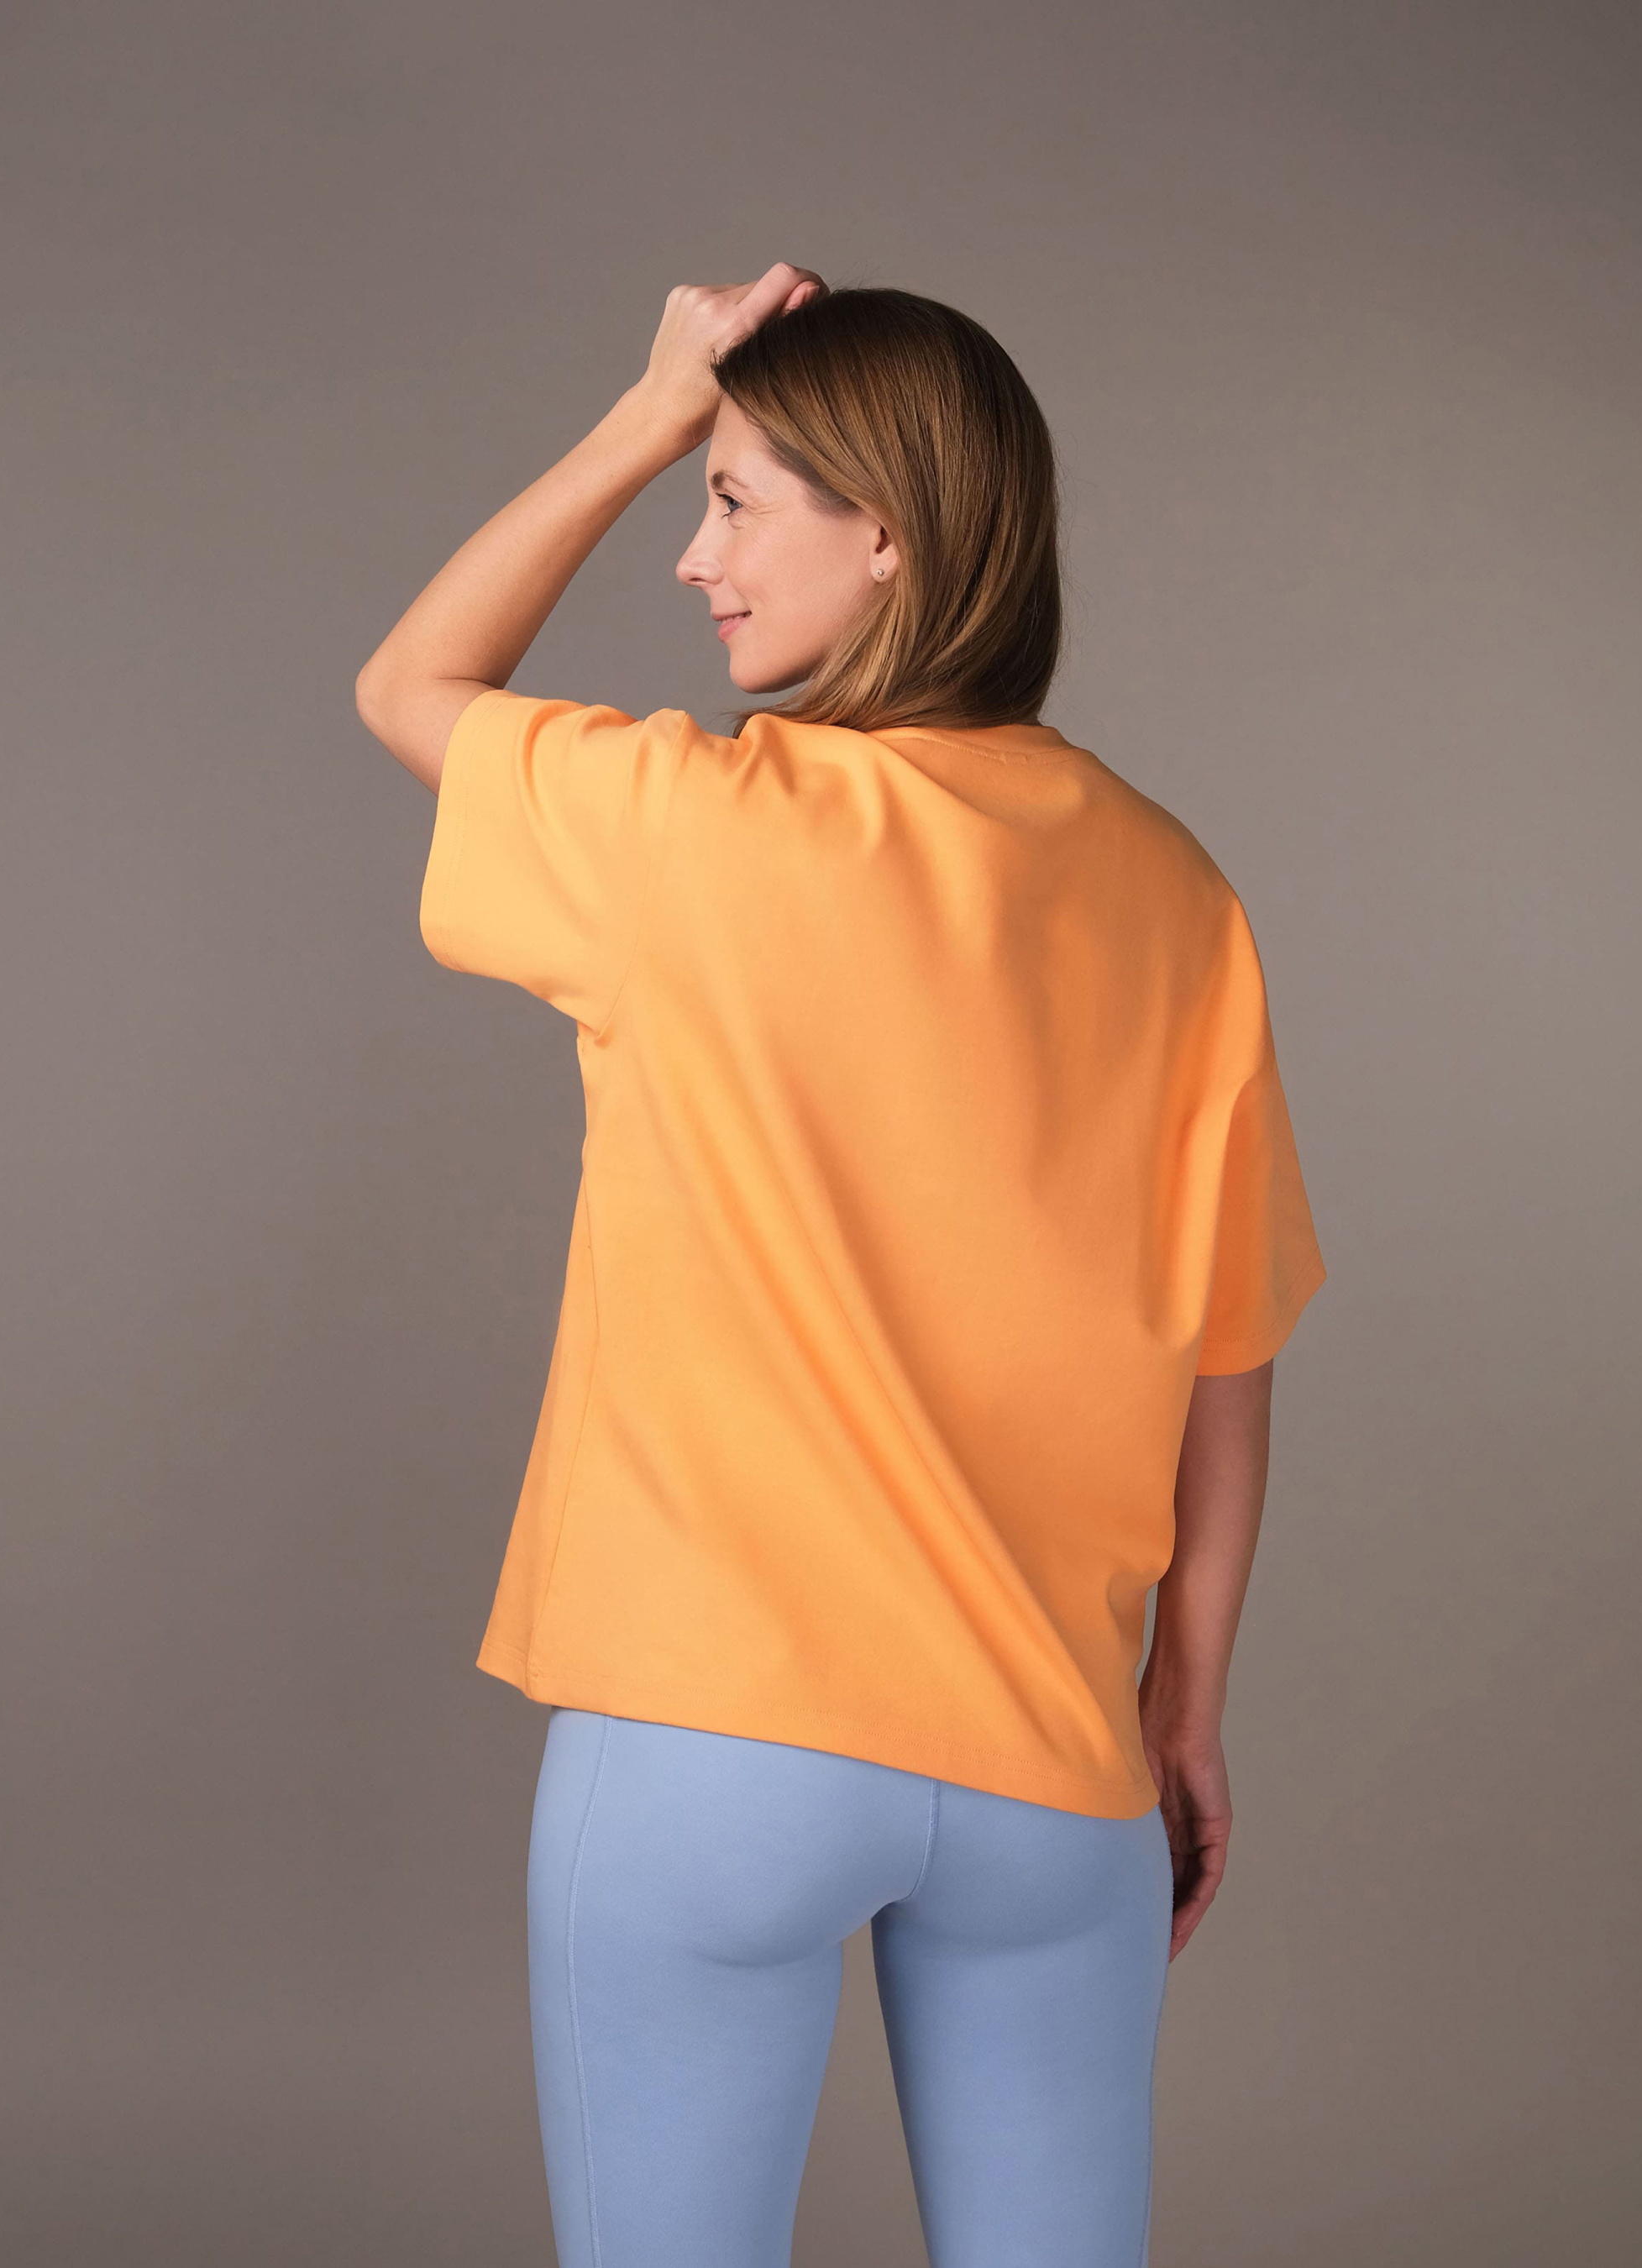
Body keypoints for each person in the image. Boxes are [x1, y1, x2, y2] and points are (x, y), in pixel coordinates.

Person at [355, 263, 1327, 2268]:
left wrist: (648, 404)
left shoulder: (686, 830)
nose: (694, 558)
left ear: (884, 531)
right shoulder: (1174, 895)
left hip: (712, 1741)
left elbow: (411, 683)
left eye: (730, 500)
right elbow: (1224, 1357)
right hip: (1053, 1768)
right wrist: (1182, 1710)